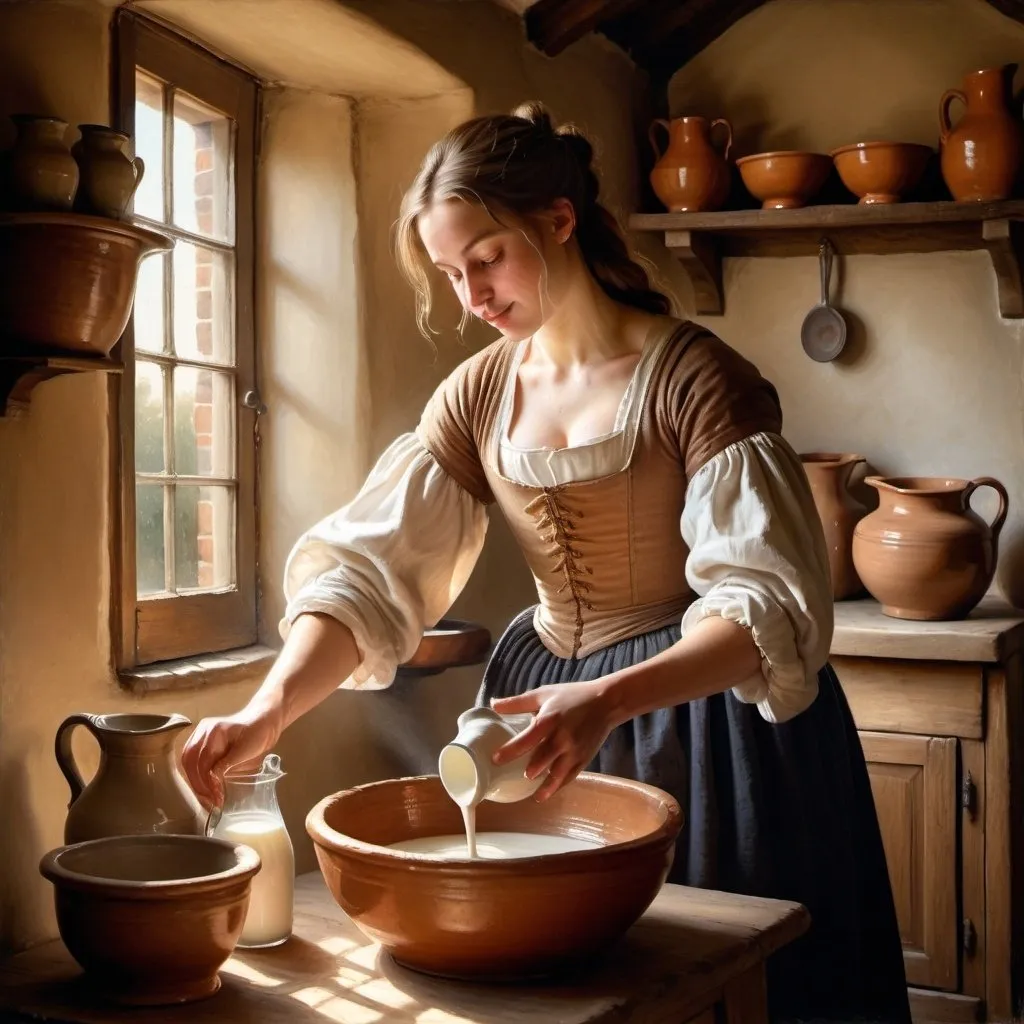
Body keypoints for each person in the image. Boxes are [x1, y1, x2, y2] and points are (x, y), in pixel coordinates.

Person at [182, 102, 910, 1024]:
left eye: (485, 258)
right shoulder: (478, 395)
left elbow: (762, 608)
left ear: (558, 220)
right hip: (537, 714)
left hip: (700, 721)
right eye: (451, 274)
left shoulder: (696, 380)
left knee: (715, 988)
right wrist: (267, 709)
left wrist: (605, 699)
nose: (473, 298)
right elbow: (369, 575)